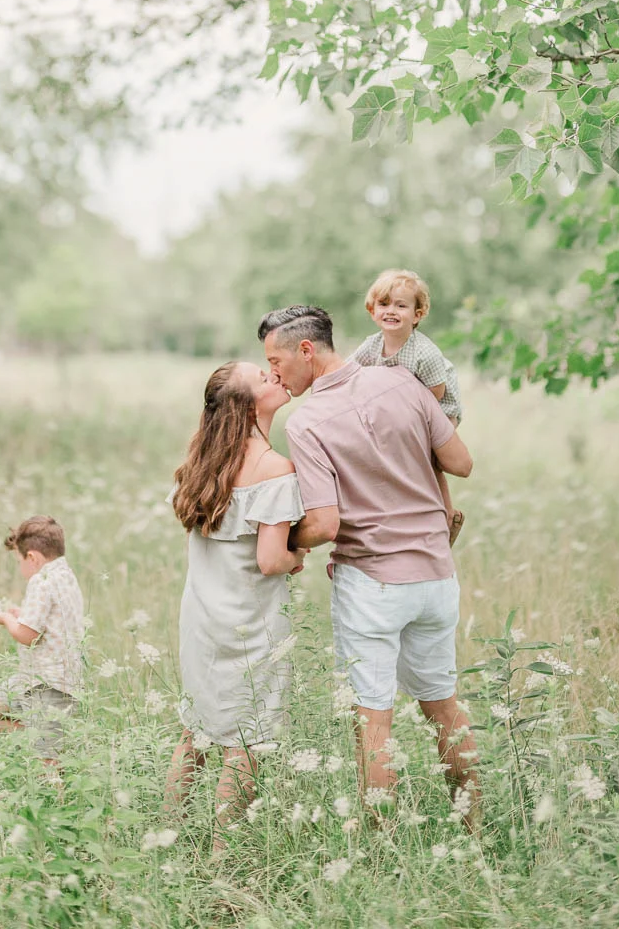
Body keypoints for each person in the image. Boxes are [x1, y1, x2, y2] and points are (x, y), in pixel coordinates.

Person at [262, 305, 480, 825]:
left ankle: (382, 847)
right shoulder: (404, 383)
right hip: (435, 575)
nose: (273, 373)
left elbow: (326, 523)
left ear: (307, 350)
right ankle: (472, 824)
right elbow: (461, 463)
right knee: (444, 706)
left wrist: (283, 540)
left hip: (374, 583)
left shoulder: (308, 421)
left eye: (276, 360)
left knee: (374, 722)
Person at [165, 361, 306, 850]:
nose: (275, 377)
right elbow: (270, 560)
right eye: (264, 379)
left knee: (197, 728)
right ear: (249, 407)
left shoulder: (202, 464)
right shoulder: (273, 469)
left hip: (202, 618)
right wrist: (298, 555)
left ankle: (169, 831)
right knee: (247, 738)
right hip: (249, 622)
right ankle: (224, 854)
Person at [351, 268, 465, 543]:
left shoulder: (425, 352)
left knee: (429, 457)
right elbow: (349, 371)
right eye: (384, 304)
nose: (391, 311)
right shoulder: (372, 346)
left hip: (438, 407)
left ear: (417, 315)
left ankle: (446, 515)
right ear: (372, 310)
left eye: (401, 305)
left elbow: (435, 391)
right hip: (402, 408)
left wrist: (402, 412)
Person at [0, 515, 85, 763]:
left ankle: (53, 783)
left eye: (19, 561)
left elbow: (27, 636)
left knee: (47, 761)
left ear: (32, 558)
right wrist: (23, 615)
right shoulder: (65, 575)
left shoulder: (41, 580)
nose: (20, 569)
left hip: (46, 682)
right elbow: (50, 618)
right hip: (51, 677)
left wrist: (7, 619)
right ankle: (35, 737)